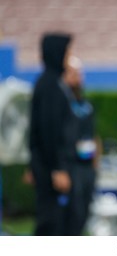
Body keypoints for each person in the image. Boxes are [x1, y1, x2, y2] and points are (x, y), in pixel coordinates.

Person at [28, 32, 73, 235]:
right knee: (50, 221)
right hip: (49, 167)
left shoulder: (49, 82)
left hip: (44, 164)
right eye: (66, 52)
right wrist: (57, 169)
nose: (68, 57)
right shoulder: (49, 85)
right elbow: (48, 130)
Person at [61, 55, 99, 235]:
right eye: (74, 73)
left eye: (80, 73)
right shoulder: (61, 105)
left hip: (86, 167)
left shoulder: (85, 104)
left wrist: (94, 166)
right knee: (71, 214)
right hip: (71, 166)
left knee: (84, 212)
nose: (78, 77)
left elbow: (93, 136)